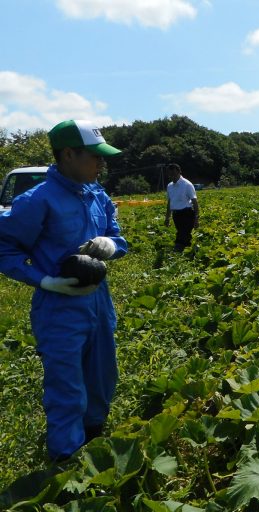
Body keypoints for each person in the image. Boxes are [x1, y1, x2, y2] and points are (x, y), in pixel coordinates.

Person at [0, 119, 128, 461]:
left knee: (102, 377)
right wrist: (44, 281)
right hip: (59, 308)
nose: (102, 163)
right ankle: (66, 460)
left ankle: (94, 439)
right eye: (94, 156)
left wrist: (110, 245)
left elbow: (119, 238)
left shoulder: (97, 194)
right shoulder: (36, 200)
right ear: (68, 154)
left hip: (99, 302)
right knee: (66, 387)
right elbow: (5, 249)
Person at [164, 163, 199, 251]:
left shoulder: (187, 185)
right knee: (184, 235)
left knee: (182, 234)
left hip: (187, 214)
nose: (173, 177)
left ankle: (178, 249)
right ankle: (190, 251)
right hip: (176, 215)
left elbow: (195, 202)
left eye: (174, 174)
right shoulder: (170, 186)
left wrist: (196, 218)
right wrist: (167, 218)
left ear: (179, 172)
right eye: (170, 175)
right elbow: (169, 202)